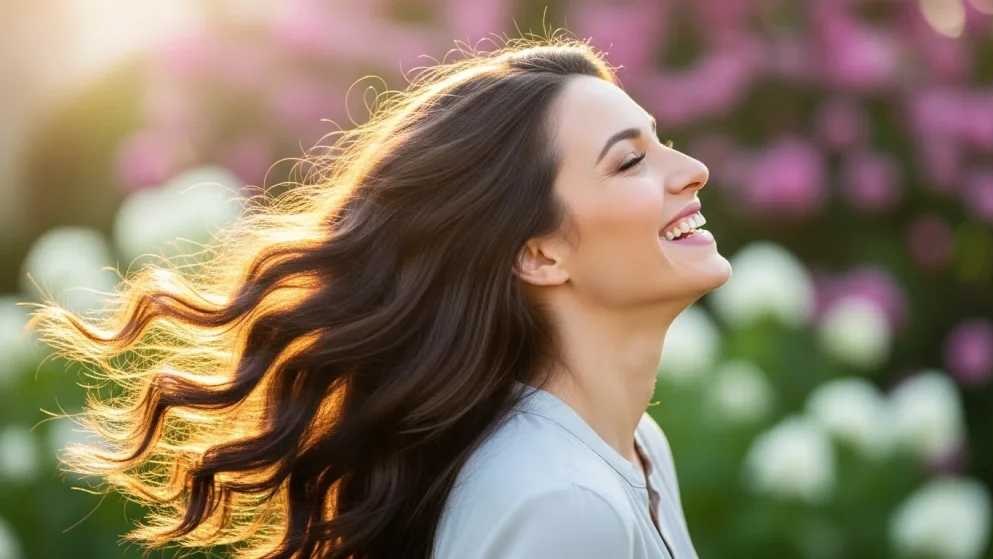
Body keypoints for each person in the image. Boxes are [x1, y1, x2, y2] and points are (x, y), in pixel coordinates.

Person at [29, 34, 730, 559]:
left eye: (661, 142)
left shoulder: (632, 447)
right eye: (632, 159)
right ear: (539, 252)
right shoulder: (565, 503)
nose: (692, 169)